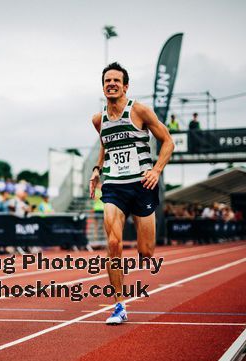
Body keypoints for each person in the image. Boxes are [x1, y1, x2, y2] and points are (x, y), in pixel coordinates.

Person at [89, 62, 174, 325]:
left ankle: (143, 253)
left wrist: (156, 170)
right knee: (113, 244)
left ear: (125, 86)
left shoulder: (139, 110)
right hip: (114, 185)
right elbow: (106, 143)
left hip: (142, 185)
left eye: (116, 80)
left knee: (146, 252)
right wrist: (97, 169)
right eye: (107, 80)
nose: (111, 84)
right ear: (103, 86)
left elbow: (168, 141)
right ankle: (119, 305)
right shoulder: (98, 119)